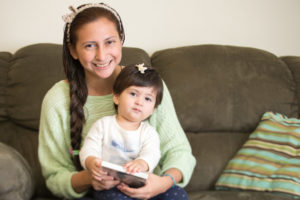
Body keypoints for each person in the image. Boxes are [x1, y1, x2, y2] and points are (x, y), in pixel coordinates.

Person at [38, 2, 196, 200]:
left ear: (121, 40)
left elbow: (179, 152)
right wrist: (90, 177)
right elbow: (55, 177)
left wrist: (163, 183)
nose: (102, 55)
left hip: (150, 189)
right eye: (89, 45)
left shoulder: (146, 87)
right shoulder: (57, 100)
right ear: (73, 50)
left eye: (109, 42)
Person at [80, 64, 163, 199]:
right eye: (133, 94)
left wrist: (142, 163)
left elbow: (152, 153)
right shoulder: (103, 125)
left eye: (147, 98)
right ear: (116, 97)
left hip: (141, 186)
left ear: (153, 108)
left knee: (176, 193)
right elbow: (89, 148)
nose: (139, 102)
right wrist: (91, 162)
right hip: (110, 184)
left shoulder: (149, 133)